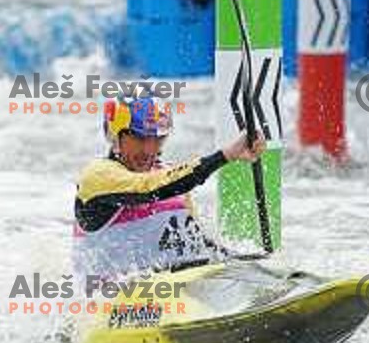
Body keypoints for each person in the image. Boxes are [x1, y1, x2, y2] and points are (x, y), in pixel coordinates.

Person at [73, 88, 265, 278]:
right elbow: (146, 189)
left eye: (157, 139)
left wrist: (251, 264)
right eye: (139, 138)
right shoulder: (96, 176)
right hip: (111, 299)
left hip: (179, 289)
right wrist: (227, 154)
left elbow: (201, 248)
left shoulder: (170, 179)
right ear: (116, 136)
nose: (149, 150)